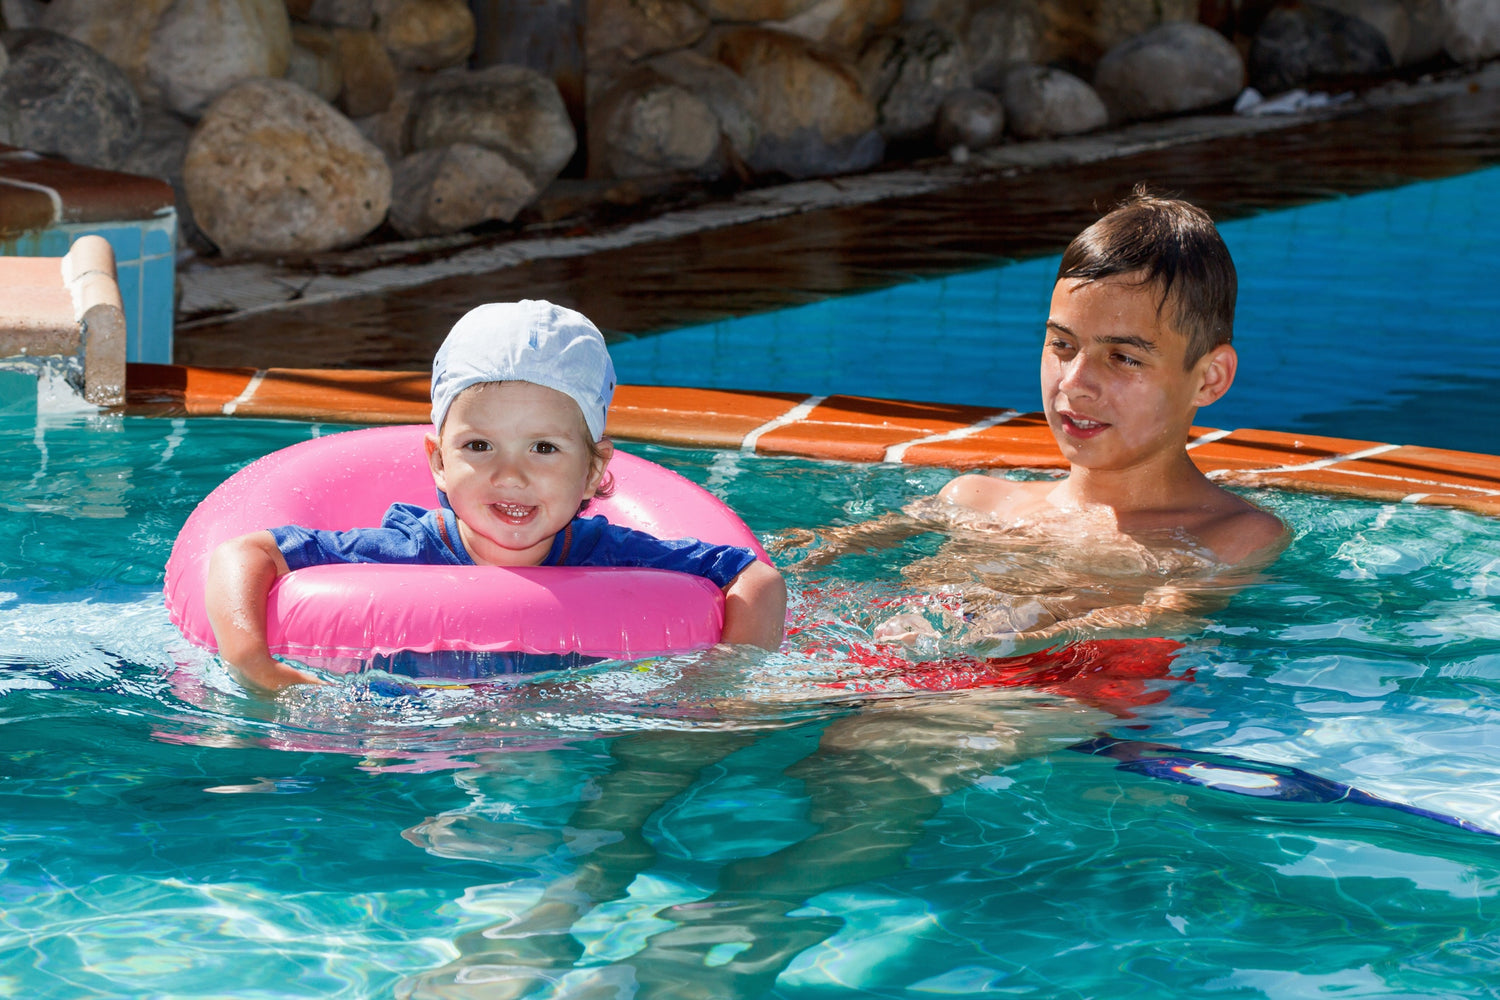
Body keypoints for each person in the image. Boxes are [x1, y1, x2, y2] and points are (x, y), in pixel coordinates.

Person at [792, 186, 1289, 647]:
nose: (1073, 382)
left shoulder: (1235, 535)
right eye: (1062, 345)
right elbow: (805, 561)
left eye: (1124, 357)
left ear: (1210, 378)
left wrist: (1007, 637)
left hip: (1047, 702)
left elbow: (1163, 617)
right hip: (889, 671)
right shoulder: (974, 501)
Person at [204, 300, 787, 692]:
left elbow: (754, 580)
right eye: (480, 445)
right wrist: (252, 660)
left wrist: (723, 683)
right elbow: (242, 554)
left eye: (543, 449)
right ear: (437, 461)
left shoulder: (616, 557)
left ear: (593, 472)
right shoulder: (399, 552)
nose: (509, 475)